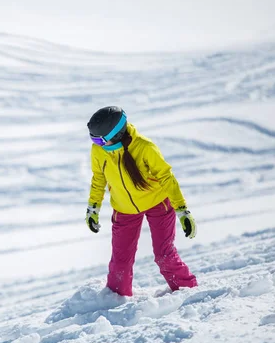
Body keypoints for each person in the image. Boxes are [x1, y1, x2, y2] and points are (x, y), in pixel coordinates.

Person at [85, 106, 198, 297]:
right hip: (124, 209)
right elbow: (98, 178)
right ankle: (116, 299)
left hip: (158, 203)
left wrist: (182, 211)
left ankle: (188, 291)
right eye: (94, 139)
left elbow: (166, 178)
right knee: (120, 262)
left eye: (100, 139)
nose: (98, 144)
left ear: (117, 133)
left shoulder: (144, 147)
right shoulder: (99, 150)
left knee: (164, 256)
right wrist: (93, 207)